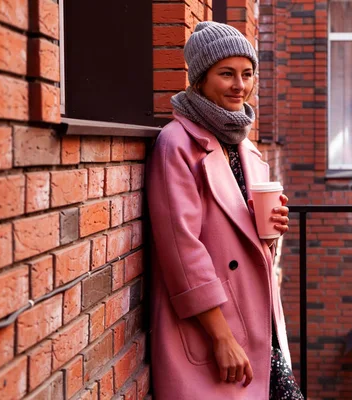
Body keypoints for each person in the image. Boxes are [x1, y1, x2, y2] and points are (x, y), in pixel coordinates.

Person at [146, 21, 303, 400]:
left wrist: (271, 230)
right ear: (199, 79)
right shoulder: (176, 144)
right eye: (227, 74)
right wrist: (221, 337)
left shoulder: (243, 145)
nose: (240, 86)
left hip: (256, 321)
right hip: (214, 326)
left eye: (247, 74)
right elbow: (181, 249)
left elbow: (242, 238)